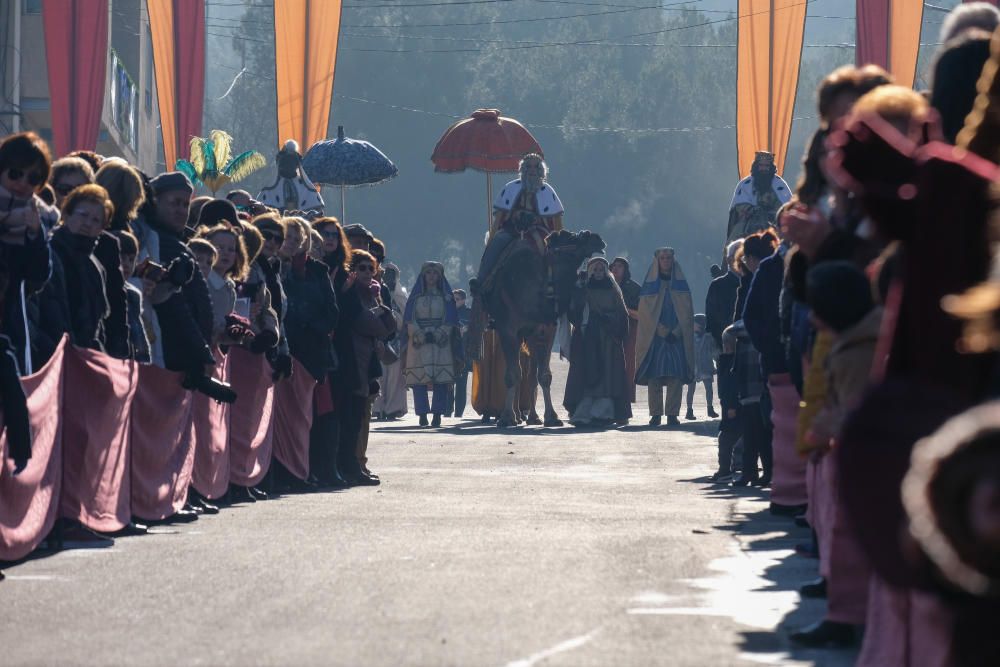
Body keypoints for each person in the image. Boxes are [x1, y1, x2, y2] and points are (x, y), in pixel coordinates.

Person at [789, 261, 880, 648]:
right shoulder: (856, 337)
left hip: (860, 461)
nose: (812, 318)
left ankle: (847, 619)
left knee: (849, 536)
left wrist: (826, 430)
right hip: (845, 454)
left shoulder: (860, 348)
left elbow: (857, 410)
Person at [333, 249, 396, 484]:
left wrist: (383, 313)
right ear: (352, 270)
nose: (368, 272)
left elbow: (390, 326)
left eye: (371, 268)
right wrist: (381, 322)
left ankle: (357, 462)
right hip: (351, 359)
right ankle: (349, 464)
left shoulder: (374, 294)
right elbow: (371, 324)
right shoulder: (348, 293)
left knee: (359, 415)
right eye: (362, 268)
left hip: (367, 361)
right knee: (350, 416)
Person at [473, 154, 564, 297]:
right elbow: (501, 217)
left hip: (538, 230)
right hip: (513, 229)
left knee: (546, 247)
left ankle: (554, 283)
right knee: (497, 242)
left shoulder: (548, 191)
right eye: (528, 166)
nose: (532, 170)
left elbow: (556, 223)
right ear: (523, 169)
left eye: (536, 167)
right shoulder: (511, 188)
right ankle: (481, 280)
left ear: (541, 170)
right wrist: (516, 215)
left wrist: (534, 219)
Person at [563, 256, 630, 427]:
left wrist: (611, 322)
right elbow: (574, 313)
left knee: (608, 375)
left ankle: (605, 413)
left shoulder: (614, 290)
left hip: (608, 338)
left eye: (602, 270)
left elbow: (622, 314)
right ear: (590, 271)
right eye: (596, 270)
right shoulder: (583, 290)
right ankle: (584, 412)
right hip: (588, 338)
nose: (599, 273)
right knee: (588, 373)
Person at [46, 184, 112, 350]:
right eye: (83, 215)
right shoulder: (49, 252)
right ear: (67, 215)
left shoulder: (95, 267)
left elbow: (98, 324)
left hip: (83, 357)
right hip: (52, 351)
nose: (88, 223)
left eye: (96, 220)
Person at [635, 248, 695, 427]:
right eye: (663, 258)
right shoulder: (650, 287)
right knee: (655, 377)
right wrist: (661, 330)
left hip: (676, 339)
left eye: (669, 258)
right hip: (656, 339)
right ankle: (655, 414)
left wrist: (677, 332)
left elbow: (686, 313)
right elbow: (646, 314)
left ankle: (672, 414)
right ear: (657, 261)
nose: (666, 261)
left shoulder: (682, 287)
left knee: (675, 376)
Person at [403, 261, 460, 428]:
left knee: (441, 381)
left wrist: (440, 333)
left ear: (440, 276)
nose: (432, 276)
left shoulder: (446, 299)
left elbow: (451, 320)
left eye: (435, 273)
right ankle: (422, 414)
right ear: (423, 275)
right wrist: (419, 334)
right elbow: (409, 319)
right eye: (428, 273)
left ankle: (437, 414)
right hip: (418, 343)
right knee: (418, 381)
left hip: (440, 343)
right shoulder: (415, 298)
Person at [726, 151, 792, 242]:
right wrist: (753, 210)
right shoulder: (745, 184)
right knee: (735, 241)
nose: (763, 168)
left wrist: (771, 211)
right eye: (761, 165)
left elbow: (787, 206)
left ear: (771, 167)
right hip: (748, 223)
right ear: (756, 166)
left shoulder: (779, 185)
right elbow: (738, 205)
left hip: (773, 222)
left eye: (766, 166)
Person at [257, 140, 324, 212]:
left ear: (297, 165)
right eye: (285, 162)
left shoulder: (306, 188)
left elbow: (317, 212)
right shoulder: (270, 189)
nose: (288, 165)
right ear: (280, 164)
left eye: (292, 162)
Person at [115, 230, 151, 363]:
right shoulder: (99, 288)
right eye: (121, 257)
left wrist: (144, 363)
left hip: (129, 363)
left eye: (131, 259)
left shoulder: (133, 295)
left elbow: (140, 336)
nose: (126, 264)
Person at [610, 257, 641, 403]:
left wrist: (624, 309)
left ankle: (625, 402)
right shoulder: (605, 285)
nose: (616, 268)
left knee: (628, 366)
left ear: (626, 270)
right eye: (614, 266)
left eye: (620, 266)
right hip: (608, 330)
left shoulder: (633, 288)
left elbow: (642, 314)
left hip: (630, 330)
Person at [705, 240, 743, 352]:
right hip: (724, 346)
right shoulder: (717, 286)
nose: (742, 261)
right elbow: (711, 319)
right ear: (729, 260)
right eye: (739, 256)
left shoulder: (753, 282)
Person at [685, 313, 717, 420]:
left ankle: (710, 408)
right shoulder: (689, 337)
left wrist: (716, 362)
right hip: (693, 366)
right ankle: (689, 410)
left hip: (705, 366)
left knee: (709, 389)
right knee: (691, 389)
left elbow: (713, 351)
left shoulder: (708, 337)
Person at [451, 288, 472, 418]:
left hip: (463, 353)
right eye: (453, 299)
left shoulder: (469, 313)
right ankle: (447, 411)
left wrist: (466, 330)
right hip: (449, 352)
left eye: (457, 299)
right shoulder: (448, 312)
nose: (455, 302)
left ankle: (459, 413)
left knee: (461, 384)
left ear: (463, 300)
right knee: (447, 383)